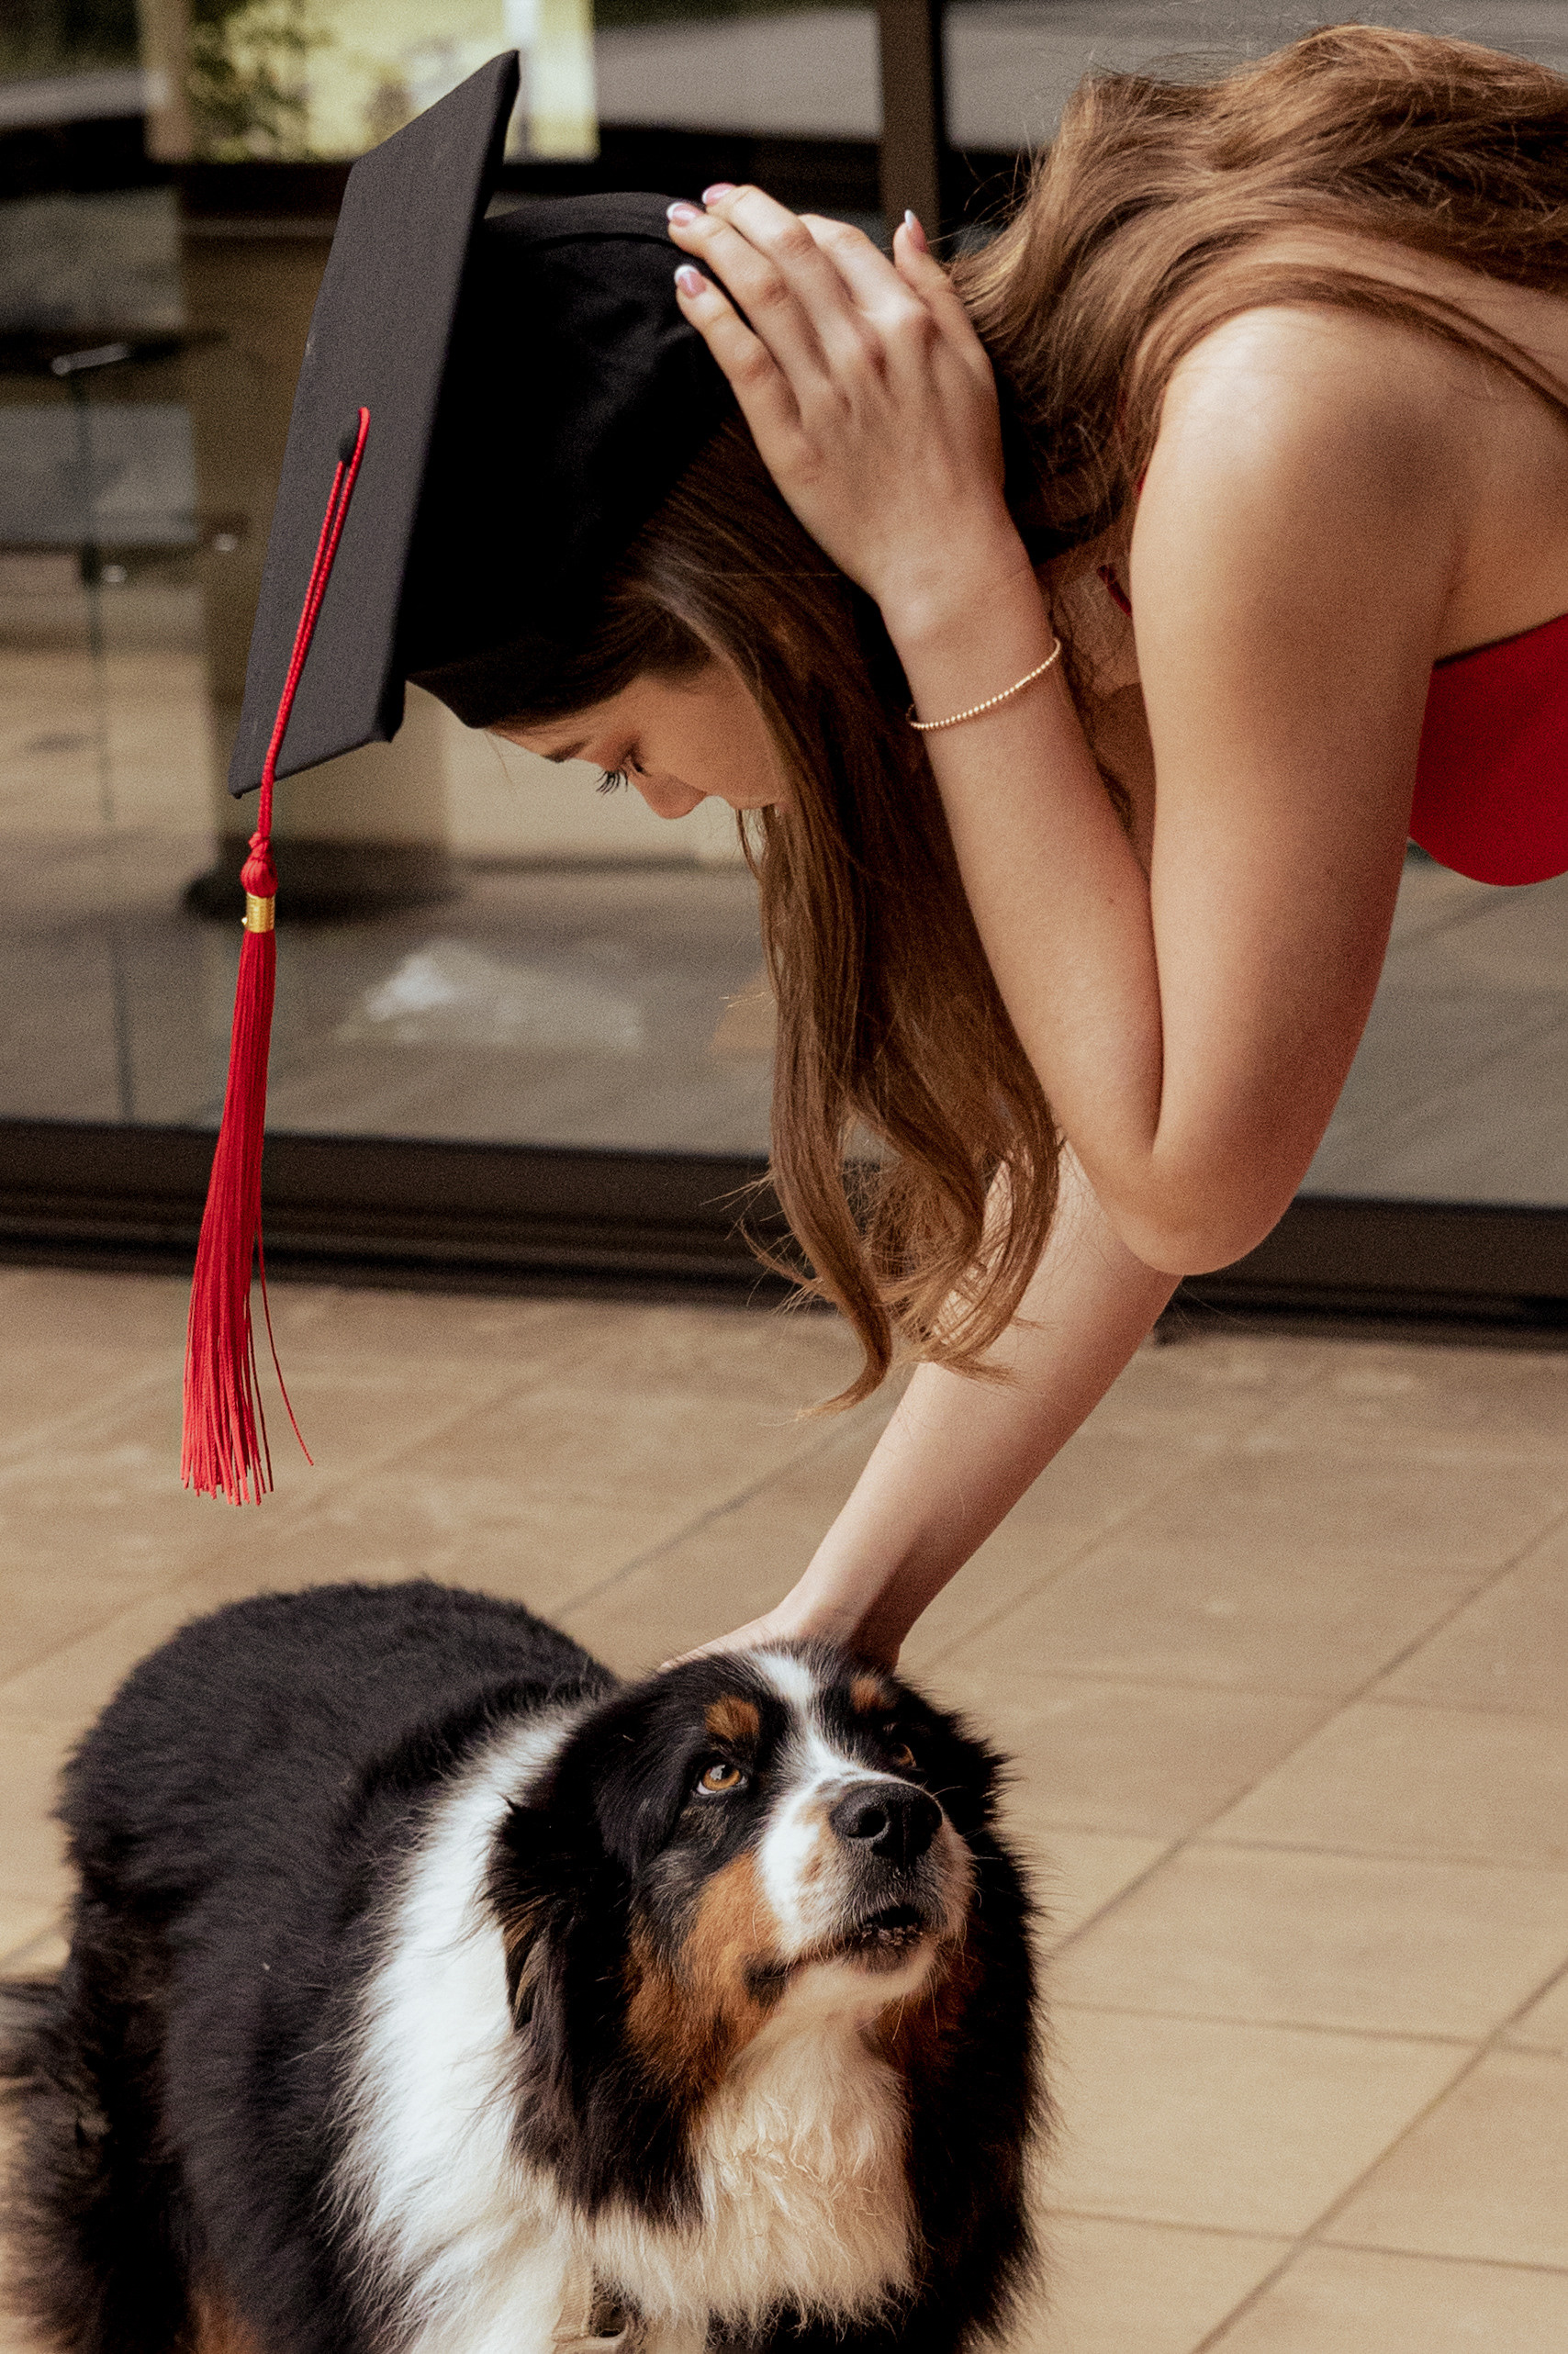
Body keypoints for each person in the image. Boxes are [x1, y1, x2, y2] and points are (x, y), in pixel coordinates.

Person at [488, 24, 1568, 1663]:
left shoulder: (1253, 428)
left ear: (745, 616)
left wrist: (944, 590)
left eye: (614, 755)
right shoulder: (1111, 488)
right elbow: (1115, 1127)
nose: (666, 802)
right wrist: (838, 1615)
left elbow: (1191, 1177)